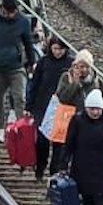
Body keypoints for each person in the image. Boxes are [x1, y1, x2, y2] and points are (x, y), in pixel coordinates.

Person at [0, 0, 37, 140]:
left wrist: (31, 62)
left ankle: (21, 128)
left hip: (16, 66)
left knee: (19, 98)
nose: (10, 14)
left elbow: (28, 43)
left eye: (13, 11)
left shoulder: (22, 22)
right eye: (8, 11)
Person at [25, 33, 72, 182]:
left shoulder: (70, 64)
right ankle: (40, 167)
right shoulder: (44, 63)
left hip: (62, 108)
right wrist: (29, 105)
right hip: (42, 106)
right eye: (56, 48)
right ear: (50, 47)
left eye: (61, 49)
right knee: (42, 141)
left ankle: (54, 172)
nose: (58, 52)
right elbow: (34, 84)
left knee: (59, 143)